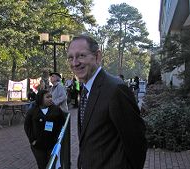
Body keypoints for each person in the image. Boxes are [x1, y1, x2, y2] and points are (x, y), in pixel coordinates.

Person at [67, 35, 147, 169]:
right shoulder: (86, 89)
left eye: (81, 55)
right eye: (71, 57)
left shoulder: (116, 89)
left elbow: (136, 142)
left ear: (97, 57)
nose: (75, 63)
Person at [24, 89, 65, 169]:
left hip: (52, 145)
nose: (50, 99)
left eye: (51, 97)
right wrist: (32, 140)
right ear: (40, 98)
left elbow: (63, 124)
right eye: (47, 97)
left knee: (52, 165)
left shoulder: (56, 110)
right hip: (38, 146)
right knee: (42, 165)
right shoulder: (32, 111)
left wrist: (58, 139)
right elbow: (27, 126)